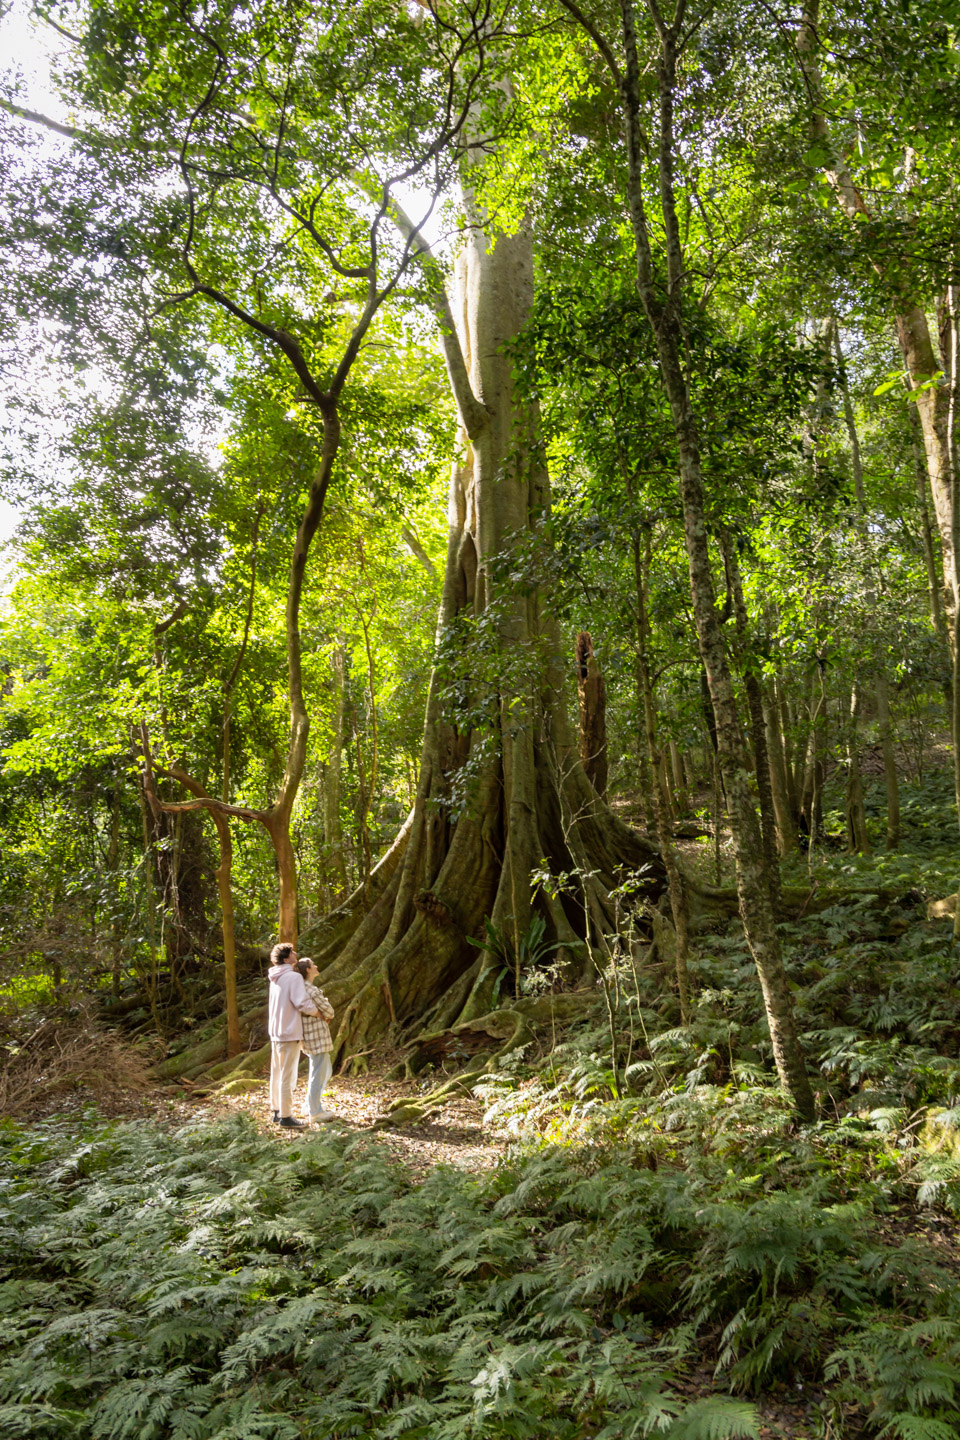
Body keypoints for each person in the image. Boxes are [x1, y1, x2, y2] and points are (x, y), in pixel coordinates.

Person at [267, 941, 318, 1130]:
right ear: (287, 958)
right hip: (288, 1032)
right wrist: (318, 1013)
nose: (296, 953)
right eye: (292, 952)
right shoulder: (293, 977)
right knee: (287, 1075)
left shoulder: (275, 977)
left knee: (277, 1073)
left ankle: (276, 1110)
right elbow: (302, 1003)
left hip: (276, 1032)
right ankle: (286, 1116)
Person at [295, 958, 336, 1124]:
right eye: (313, 965)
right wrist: (325, 1009)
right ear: (308, 970)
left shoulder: (301, 988)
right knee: (319, 1073)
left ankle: (309, 1105)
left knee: (319, 1071)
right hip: (316, 1035)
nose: (317, 966)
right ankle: (315, 1111)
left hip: (309, 1035)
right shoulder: (311, 990)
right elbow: (330, 1011)